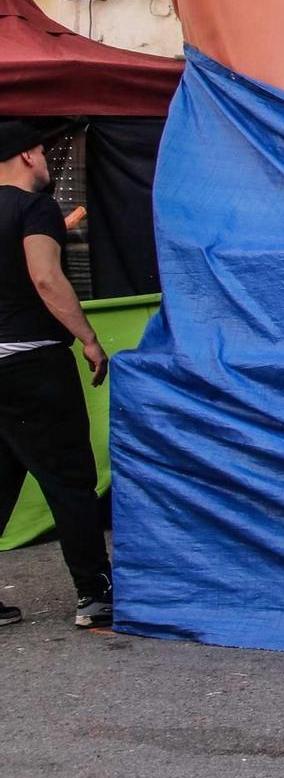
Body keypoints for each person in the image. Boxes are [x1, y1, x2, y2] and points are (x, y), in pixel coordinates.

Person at [0, 118, 112, 629]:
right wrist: (89, 338)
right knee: (69, 479)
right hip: (34, 361)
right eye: (44, 152)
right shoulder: (34, 208)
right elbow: (45, 278)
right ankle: (95, 593)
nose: (48, 161)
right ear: (26, 156)